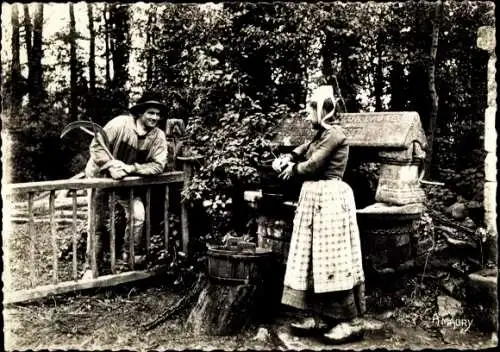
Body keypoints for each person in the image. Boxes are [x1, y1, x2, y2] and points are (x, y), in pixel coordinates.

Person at [272, 85, 366, 343]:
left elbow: (314, 165)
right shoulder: (321, 134)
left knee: (332, 260)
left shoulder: (335, 134)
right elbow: (305, 148)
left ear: (324, 108)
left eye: (310, 107)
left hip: (330, 201)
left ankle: (351, 321)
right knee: (313, 259)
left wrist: (293, 168)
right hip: (315, 201)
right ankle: (320, 315)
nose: (306, 112)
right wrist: (289, 156)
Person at [82, 92, 169, 278]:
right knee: (96, 223)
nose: (155, 117)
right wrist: (109, 166)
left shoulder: (158, 136)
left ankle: (126, 260)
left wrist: (131, 169)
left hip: (125, 182)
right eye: (150, 113)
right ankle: (91, 267)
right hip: (100, 177)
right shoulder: (120, 124)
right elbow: (97, 146)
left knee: (138, 216)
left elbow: (158, 165)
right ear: (140, 113)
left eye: (158, 114)